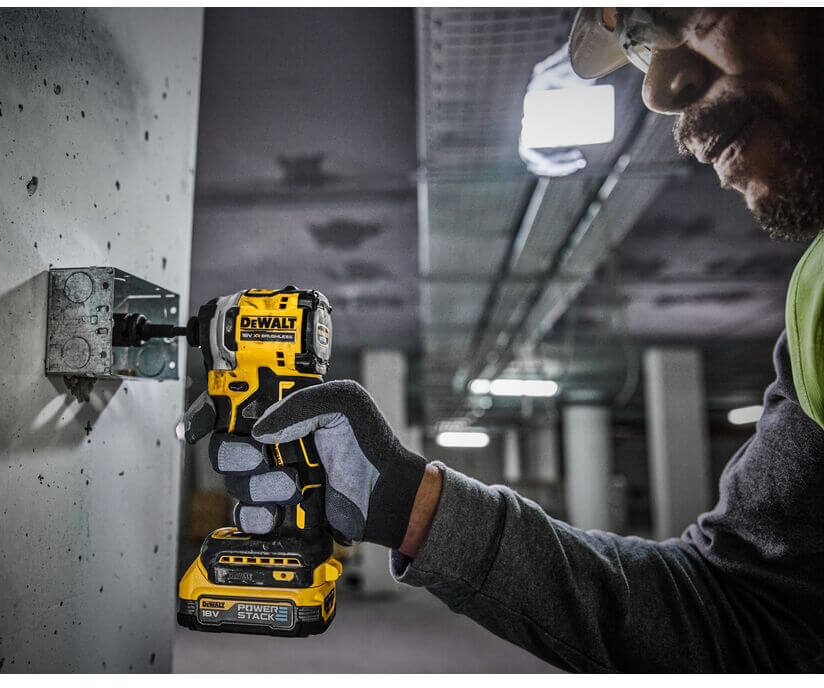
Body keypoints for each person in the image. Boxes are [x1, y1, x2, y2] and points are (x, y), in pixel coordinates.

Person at [182, 8, 824, 671]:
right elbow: (741, 614)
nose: (660, 89)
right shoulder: (816, 299)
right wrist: (405, 501)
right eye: (641, 46)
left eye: (691, 14)